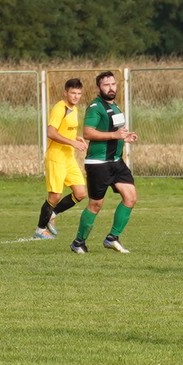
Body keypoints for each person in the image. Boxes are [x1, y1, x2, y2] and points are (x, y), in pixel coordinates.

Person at [70, 71, 139, 254]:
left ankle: (112, 238)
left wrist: (125, 137)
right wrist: (114, 135)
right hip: (98, 163)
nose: (111, 87)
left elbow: (115, 132)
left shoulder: (115, 107)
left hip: (116, 162)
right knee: (96, 205)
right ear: (99, 87)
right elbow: (88, 132)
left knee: (130, 197)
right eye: (106, 85)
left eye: (113, 84)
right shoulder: (95, 107)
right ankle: (78, 242)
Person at [33, 78, 87, 239]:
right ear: (65, 92)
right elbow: (51, 132)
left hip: (68, 157)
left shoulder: (75, 109)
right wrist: (71, 142)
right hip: (56, 157)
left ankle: (53, 214)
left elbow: (64, 130)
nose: (76, 96)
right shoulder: (60, 108)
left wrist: (76, 138)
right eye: (73, 93)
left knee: (80, 193)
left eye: (79, 93)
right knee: (55, 195)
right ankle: (40, 230)